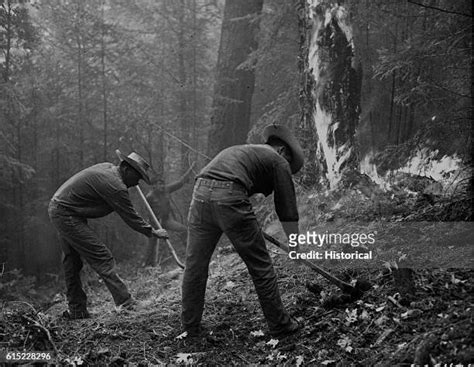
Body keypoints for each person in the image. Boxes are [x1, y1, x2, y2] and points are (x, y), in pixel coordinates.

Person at [181, 124, 304, 338]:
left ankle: (190, 328)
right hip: (229, 196)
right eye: (289, 163)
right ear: (283, 151)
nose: (287, 166)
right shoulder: (278, 160)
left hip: (199, 194)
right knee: (261, 266)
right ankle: (281, 326)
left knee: (195, 266)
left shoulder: (247, 151)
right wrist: (295, 243)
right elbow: (286, 207)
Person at [48, 151, 169, 319]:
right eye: (137, 177)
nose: (136, 183)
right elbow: (130, 216)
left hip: (61, 208)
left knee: (72, 261)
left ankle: (76, 309)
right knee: (101, 256)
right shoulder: (116, 186)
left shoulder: (108, 168)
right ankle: (125, 302)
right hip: (65, 213)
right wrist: (153, 232)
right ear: (126, 169)